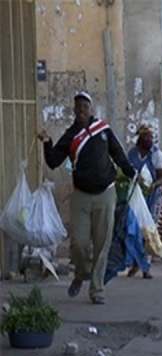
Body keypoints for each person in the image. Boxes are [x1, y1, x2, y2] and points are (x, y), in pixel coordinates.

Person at [37, 92, 136, 304]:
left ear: (91, 109)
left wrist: (130, 171)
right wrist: (47, 143)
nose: (81, 110)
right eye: (78, 107)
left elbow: (117, 153)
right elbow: (54, 161)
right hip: (81, 196)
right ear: (74, 111)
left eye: (85, 107)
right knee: (79, 243)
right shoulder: (71, 135)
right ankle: (80, 274)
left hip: (106, 193)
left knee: (102, 245)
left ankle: (97, 290)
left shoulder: (103, 129)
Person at [127, 124, 162, 279]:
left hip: (153, 198)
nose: (149, 140)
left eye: (151, 137)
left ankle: (146, 265)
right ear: (140, 138)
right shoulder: (132, 153)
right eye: (146, 137)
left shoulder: (158, 155)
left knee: (149, 230)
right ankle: (135, 262)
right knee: (135, 229)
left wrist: (153, 185)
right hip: (136, 197)